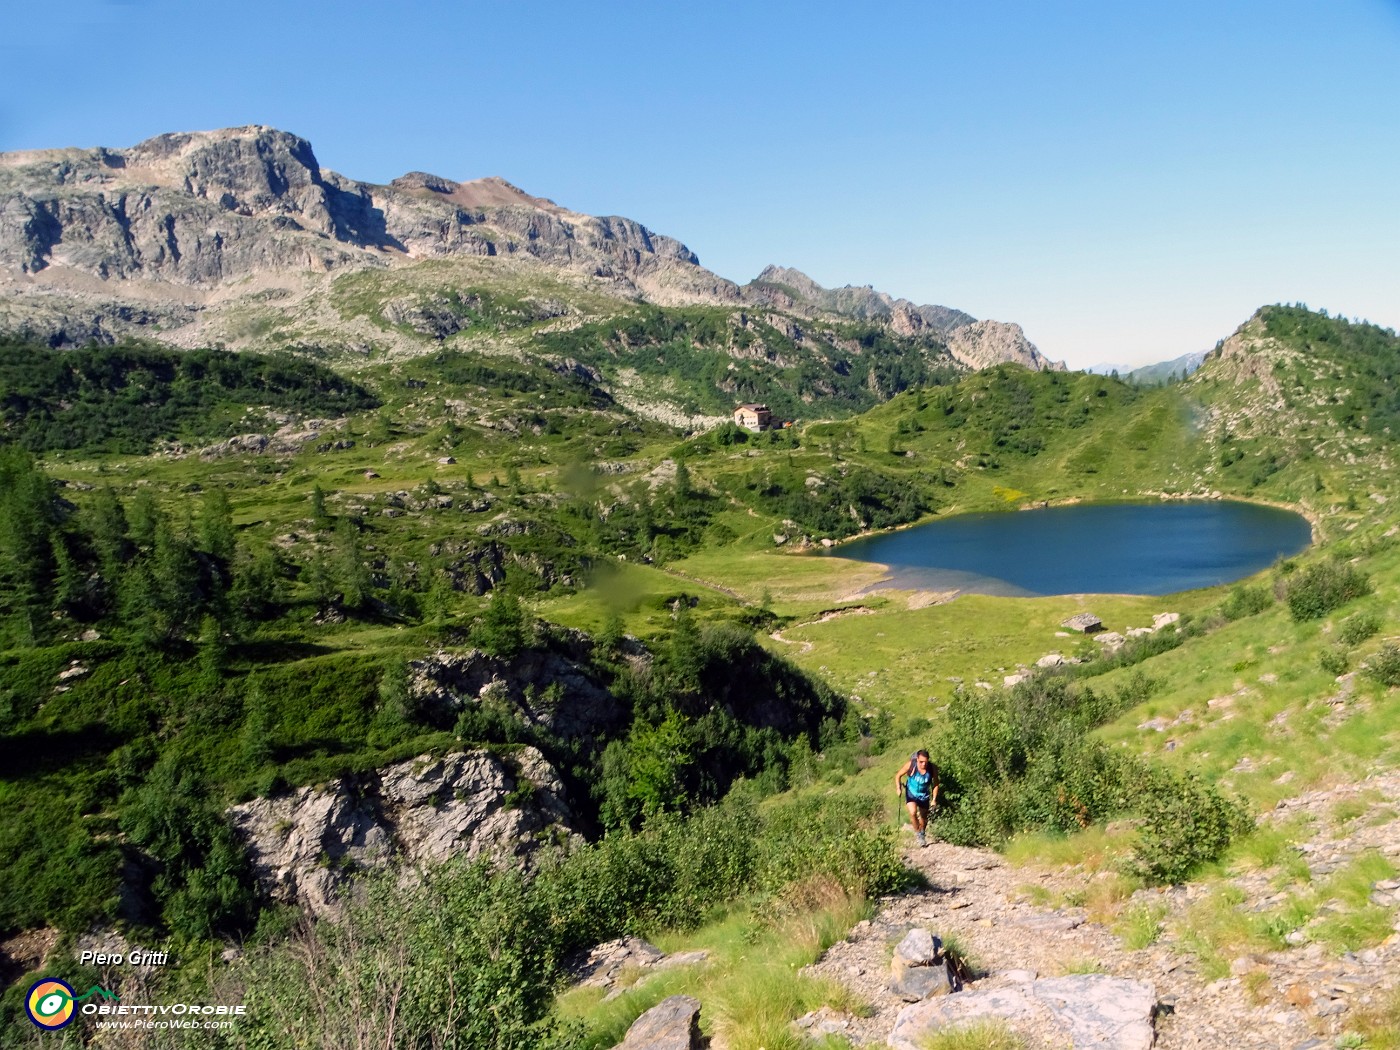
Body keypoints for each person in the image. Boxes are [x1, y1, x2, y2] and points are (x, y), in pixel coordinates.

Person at [895, 750, 939, 847]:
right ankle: (918, 834)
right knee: (913, 812)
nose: (923, 764)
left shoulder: (932, 768)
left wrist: (934, 799)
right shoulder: (911, 765)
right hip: (911, 792)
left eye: (925, 762)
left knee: (923, 817)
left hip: (924, 795)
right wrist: (898, 788)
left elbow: (936, 784)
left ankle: (922, 832)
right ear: (917, 759)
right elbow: (898, 776)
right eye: (921, 762)